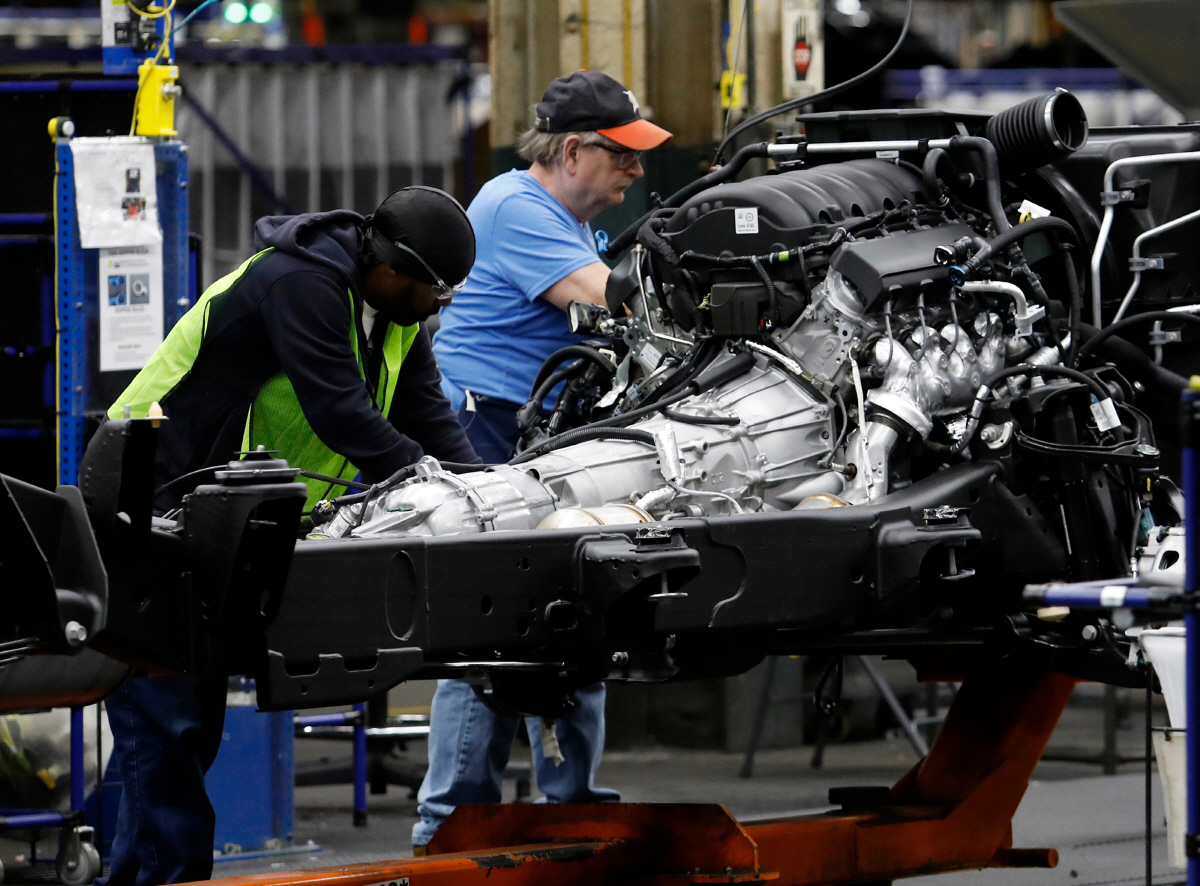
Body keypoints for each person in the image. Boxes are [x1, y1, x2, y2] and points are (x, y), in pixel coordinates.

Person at [97, 186, 479, 886]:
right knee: (170, 723)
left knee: (186, 730)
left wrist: (491, 495)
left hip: (235, 519)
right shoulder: (300, 284)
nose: (439, 307)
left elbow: (430, 421)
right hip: (155, 502)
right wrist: (431, 479)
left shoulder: (393, 317)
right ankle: (160, 877)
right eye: (437, 291)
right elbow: (340, 413)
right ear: (394, 272)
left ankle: (143, 873)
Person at [413, 70, 672, 851]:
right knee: (486, 628)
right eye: (622, 157)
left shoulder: (570, 222)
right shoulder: (515, 207)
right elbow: (616, 305)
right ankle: (452, 819)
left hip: (541, 437)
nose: (635, 172)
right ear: (570, 150)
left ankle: (575, 805)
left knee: (577, 612)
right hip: (482, 435)